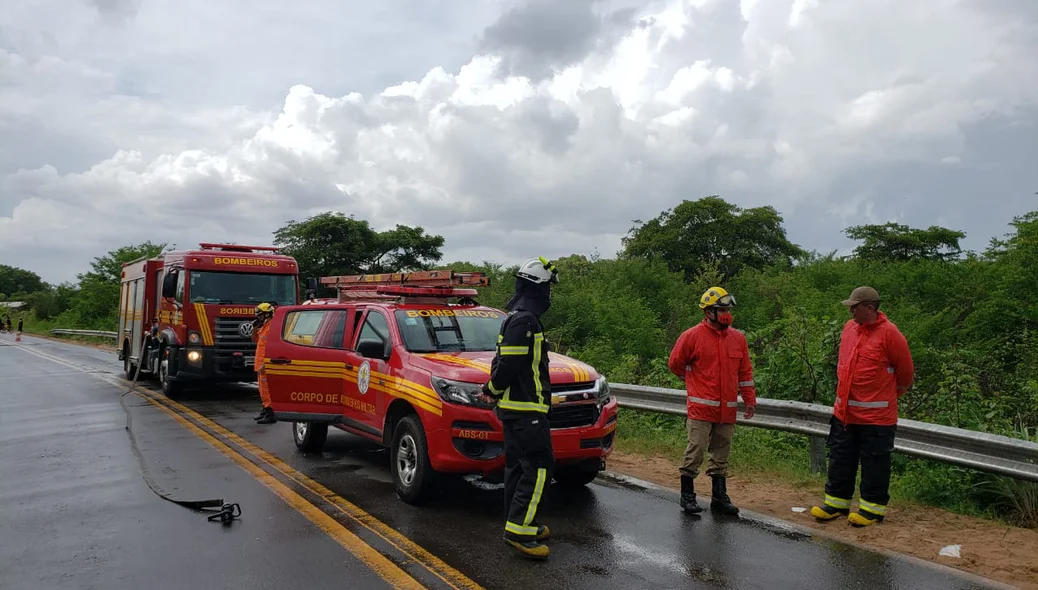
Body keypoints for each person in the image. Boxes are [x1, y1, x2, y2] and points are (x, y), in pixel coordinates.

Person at [810, 286, 914, 527]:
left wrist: (887, 396)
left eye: (855, 307)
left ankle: (872, 510)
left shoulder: (890, 334)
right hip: (845, 414)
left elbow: (906, 374)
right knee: (840, 459)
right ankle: (836, 503)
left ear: (870, 308)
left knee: (874, 463)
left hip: (876, 418)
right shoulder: (849, 329)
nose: (851, 311)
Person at [480, 257, 558, 560]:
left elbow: (504, 361)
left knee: (517, 466)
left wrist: (493, 390)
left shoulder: (517, 318)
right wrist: (492, 390)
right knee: (539, 466)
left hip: (517, 410)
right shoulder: (524, 320)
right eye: (548, 287)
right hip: (526, 410)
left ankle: (520, 521)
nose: (549, 294)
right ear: (539, 288)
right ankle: (519, 531)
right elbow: (509, 364)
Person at [668, 286, 757, 516]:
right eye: (721, 309)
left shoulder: (738, 339)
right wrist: (691, 381)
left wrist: (749, 399)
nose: (726, 313)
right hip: (701, 408)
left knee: (721, 454)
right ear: (709, 312)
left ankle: (719, 497)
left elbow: (744, 373)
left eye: (727, 308)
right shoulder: (692, 336)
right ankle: (687, 495)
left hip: (726, 410)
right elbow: (675, 363)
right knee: (695, 451)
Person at [251, 302, 277, 424]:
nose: (258, 318)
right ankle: (265, 410)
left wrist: (265, 364)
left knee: (266, 389)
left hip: (264, 365)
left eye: (260, 315)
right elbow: (254, 340)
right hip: (259, 364)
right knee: (262, 390)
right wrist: (255, 327)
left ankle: (270, 413)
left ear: (267, 314)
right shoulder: (264, 327)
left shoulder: (272, 328)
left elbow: (272, 348)